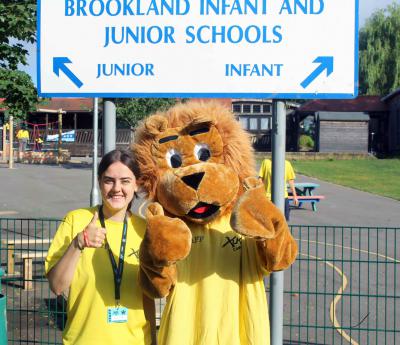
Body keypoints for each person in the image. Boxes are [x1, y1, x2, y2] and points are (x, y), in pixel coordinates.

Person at [45, 149, 156, 345]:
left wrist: (154, 341)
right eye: (109, 180)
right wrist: (78, 243)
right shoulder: (76, 220)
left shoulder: (145, 230)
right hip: (84, 339)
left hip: (136, 340)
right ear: (99, 182)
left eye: (125, 181)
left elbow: (148, 295)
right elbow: (57, 286)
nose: (116, 188)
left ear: (136, 184)